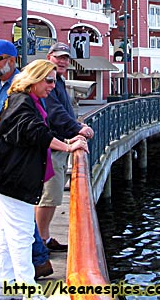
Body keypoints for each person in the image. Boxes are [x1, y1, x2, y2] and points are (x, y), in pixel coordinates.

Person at [0, 59, 87, 300]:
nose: (52, 85)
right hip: (10, 179)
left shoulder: (26, 100)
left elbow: (37, 132)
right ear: (35, 79)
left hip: (5, 176)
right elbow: (36, 133)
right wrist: (70, 145)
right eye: (48, 80)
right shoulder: (23, 103)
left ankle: (3, 289)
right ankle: (29, 292)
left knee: (9, 235)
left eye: (54, 80)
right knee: (22, 235)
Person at [0, 39, 52, 281]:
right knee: (4, 223)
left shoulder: (24, 89)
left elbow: (34, 127)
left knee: (15, 223)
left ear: (11, 61)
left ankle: (34, 265)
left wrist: (66, 142)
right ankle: (6, 278)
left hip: (15, 163)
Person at [35, 42, 94, 252]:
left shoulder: (58, 80)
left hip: (58, 144)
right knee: (48, 196)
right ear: (49, 57)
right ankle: (40, 241)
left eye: (66, 58)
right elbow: (54, 114)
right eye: (58, 57)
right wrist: (77, 129)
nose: (62, 61)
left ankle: (44, 237)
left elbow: (63, 111)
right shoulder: (47, 82)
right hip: (51, 147)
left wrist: (77, 125)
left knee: (51, 195)